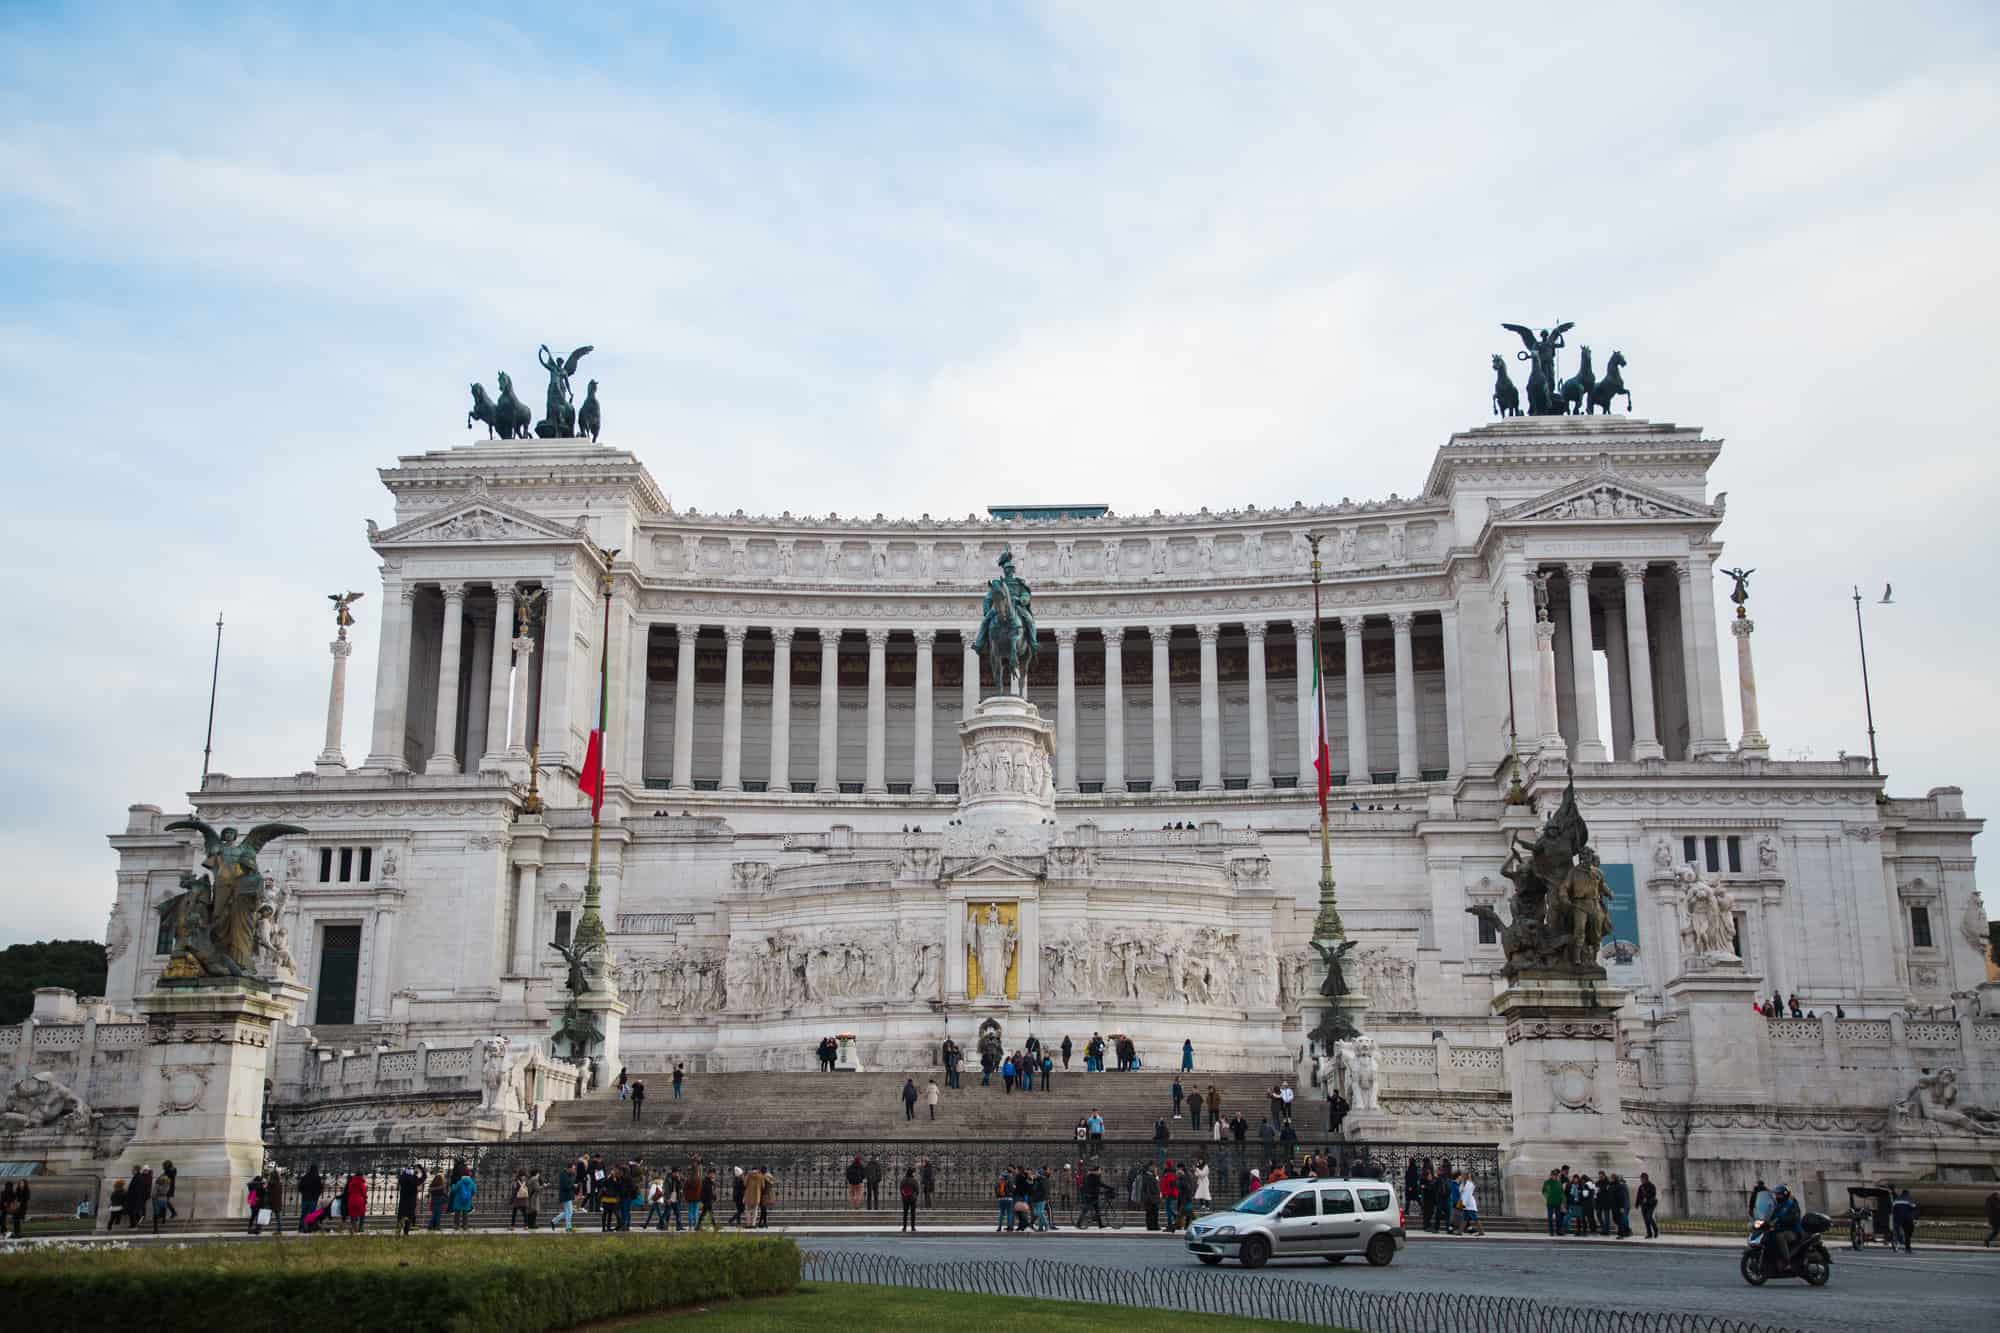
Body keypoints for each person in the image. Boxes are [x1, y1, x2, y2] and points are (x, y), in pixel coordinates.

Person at [1768, 1184, 1804, 1271]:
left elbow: (1793, 1217)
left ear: (1785, 1194)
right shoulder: (1777, 1205)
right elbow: (1771, 1215)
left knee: (1780, 1236)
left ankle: (1787, 1262)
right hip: (1780, 1229)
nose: (1777, 1196)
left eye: (1779, 1194)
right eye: (1776, 1194)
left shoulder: (1792, 1204)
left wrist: (1781, 1221)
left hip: (1793, 1231)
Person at [397, 1164, 422, 1236]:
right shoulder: (413, 1180)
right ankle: (406, 1232)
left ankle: (398, 1231)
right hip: (411, 1202)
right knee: (409, 1217)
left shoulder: (403, 1179)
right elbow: (418, 1187)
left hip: (403, 1202)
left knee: (401, 1217)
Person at [1891, 1187, 1917, 1252]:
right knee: (1908, 1233)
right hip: (1907, 1218)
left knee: (1898, 1229)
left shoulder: (1896, 1199)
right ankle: (1907, 1248)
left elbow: (1893, 1209)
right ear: (1908, 1194)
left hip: (1898, 1218)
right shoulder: (1909, 1199)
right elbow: (1914, 1207)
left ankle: (1900, 1239)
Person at [552, 1163, 576, 1232]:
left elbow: (569, 1184)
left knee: (568, 1212)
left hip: (568, 1195)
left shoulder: (569, 1174)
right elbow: (566, 1186)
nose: (574, 1170)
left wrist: (573, 1185)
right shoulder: (563, 1175)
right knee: (569, 1212)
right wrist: (573, 1185)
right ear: (569, 1168)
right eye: (573, 1168)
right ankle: (568, 1227)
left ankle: (554, 1221)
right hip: (565, 1196)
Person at [1637, 1171, 1660, 1239]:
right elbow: (1638, 1196)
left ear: (1645, 1178)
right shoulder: (1641, 1187)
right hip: (1644, 1205)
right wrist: (1637, 1204)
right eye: (1641, 1179)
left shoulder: (1651, 1185)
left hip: (1651, 1204)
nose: (1641, 1180)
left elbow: (1653, 1194)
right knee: (1645, 1219)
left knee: (1649, 1217)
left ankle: (1655, 1230)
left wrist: (1646, 1197)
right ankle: (1649, 1233)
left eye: (1642, 1179)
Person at [899, 1167, 919, 1233]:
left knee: (905, 1213)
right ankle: (913, 1227)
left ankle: (904, 1227)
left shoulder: (903, 1180)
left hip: (905, 1198)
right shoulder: (914, 1180)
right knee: (913, 1213)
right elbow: (917, 1190)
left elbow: (901, 1188)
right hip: (912, 1198)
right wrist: (915, 1196)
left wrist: (903, 1196)